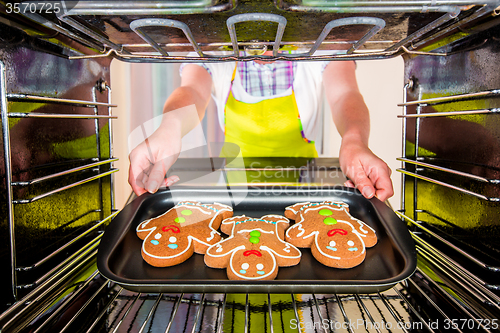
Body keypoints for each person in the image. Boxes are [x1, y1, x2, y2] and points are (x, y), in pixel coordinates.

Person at [128, 52, 394, 201]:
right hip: (234, 186)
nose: (265, 47)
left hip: (304, 185)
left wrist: (355, 139)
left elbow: (345, 94)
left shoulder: (320, 44)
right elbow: (192, 91)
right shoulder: (215, 47)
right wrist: (170, 127)